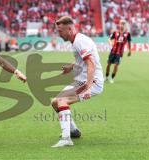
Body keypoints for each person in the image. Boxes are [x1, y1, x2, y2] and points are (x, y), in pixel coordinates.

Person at [51, 16, 104, 147]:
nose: (59, 34)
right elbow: (82, 60)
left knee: (62, 101)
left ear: (69, 29)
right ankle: (73, 131)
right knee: (54, 102)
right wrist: (71, 66)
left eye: (61, 31)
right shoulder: (76, 41)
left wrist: (88, 86)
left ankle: (66, 139)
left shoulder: (80, 41)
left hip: (92, 82)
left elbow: (91, 64)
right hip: (81, 81)